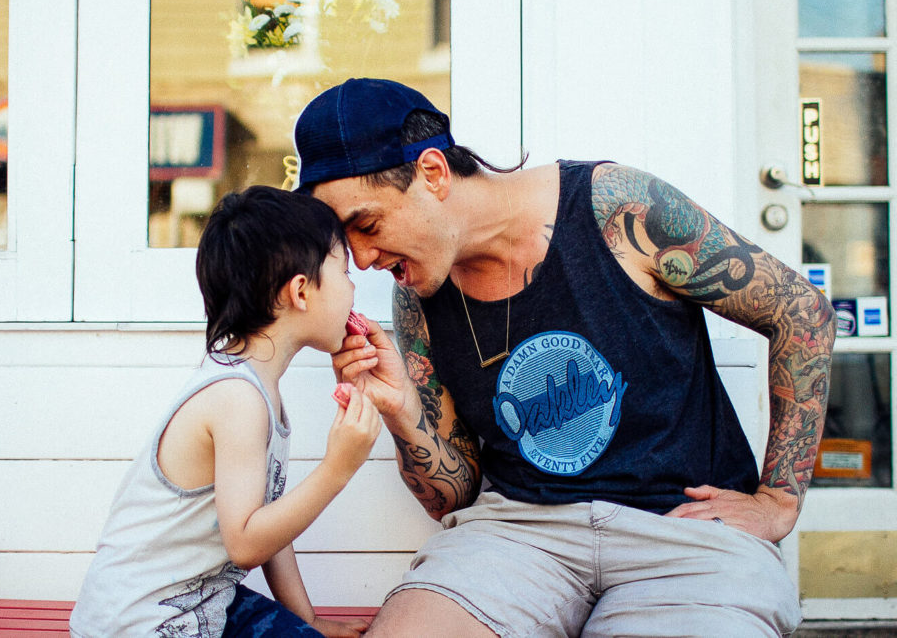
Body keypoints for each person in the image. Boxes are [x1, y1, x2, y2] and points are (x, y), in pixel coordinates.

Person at [292, 78, 836, 637]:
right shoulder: (418, 295)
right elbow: (451, 495)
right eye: (344, 238)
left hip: (683, 534)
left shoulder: (617, 211)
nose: (359, 258)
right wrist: (402, 408)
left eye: (367, 224)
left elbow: (801, 312)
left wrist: (777, 500)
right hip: (517, 536)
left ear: (432, 173)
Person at [70, 186, 380, 637]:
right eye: (344, 271)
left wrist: (307, 621)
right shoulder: (237, 399)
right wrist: (338, 468)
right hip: (140, 623)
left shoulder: (255, 386)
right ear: (300, 291)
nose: (353, 287)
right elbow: (247, 542)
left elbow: (268, 521)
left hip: (202, 600)